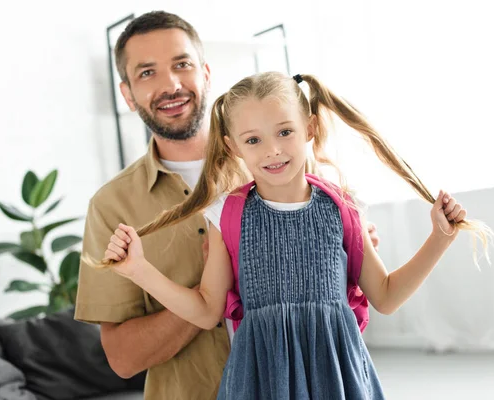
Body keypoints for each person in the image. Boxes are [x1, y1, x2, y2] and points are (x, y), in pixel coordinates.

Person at [97, 71, 494, 399]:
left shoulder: (343, 206)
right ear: (234, 147)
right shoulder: (227, 214)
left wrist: (439, 238)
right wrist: (139, 270)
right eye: (254, 140)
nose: (272, 150)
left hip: (337, 380)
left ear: (310, 128)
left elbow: (386, 296)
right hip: (260, 381)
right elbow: (205, 310)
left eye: (285, 132)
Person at [74, 11, 381, 400]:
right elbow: (122, 359)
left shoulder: (282, 165)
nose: (170, 84)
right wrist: (215, 282)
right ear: (128, 95)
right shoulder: (110, 206)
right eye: (146, 73)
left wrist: (349, 251)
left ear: (205, 73)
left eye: (181, 64)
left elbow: (348, 287)